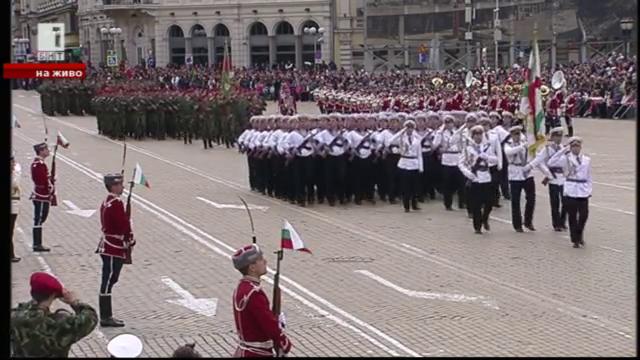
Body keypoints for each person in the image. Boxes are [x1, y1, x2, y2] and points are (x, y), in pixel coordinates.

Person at [11, 272, 98, 357]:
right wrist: (75, 302)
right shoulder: (59, 324)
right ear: (53, 295)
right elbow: (90, 317)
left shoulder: (15, 316)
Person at [232, 244, 292, 357]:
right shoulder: (254, 293)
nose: (265, 261)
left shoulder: (241, 287)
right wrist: (284, 342)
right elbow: (268, 323)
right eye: (260, 259)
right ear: (252, 267)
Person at [96, 174, 135, 327]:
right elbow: (122, 225)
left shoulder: (109, 201)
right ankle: (106, 316)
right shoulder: (116, 203)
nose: (122, 187)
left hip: (109, 244)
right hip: (113, 246)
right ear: (113, 186)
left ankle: (106, 315)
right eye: (119, 185)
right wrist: (129, 238)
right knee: (108, 280)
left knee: (110, 279)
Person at [547, 137, 592, 248]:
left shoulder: (586, 160)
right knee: (572, 216)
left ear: (580, 147)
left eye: (577, 146)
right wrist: (563, 150)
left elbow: (589, 176)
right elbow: (550, 162)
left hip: (582, 190)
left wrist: (589, 189)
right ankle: (575, 240)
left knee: (584, 215)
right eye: (573, 146)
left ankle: (579, 233)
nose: (575, 148)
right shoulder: (565, 159)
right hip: (570, 190)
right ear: (570, 148)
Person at [523, 127, 567, 231]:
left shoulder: (562, 148)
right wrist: (528, 167)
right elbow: (538, 160)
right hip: (552, 177)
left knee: (566, 201)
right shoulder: (547, 149)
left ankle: (562, 221)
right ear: (552, 137)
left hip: (562, 178)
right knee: (555, 202)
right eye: (557, 136)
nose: (559, 138)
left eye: (560, 136)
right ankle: (556, 224)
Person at [458, 125, 496, 234]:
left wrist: (487, 157)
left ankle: (485, 218)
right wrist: (468, 174)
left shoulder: (487, 148)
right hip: (475, 179)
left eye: (480, 134)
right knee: (476, 205)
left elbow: (496, 160)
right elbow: (460, 163)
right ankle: (477, 227)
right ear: (473, 136)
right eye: (476, 135)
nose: (479, 137)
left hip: (486, 178)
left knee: (489, 203)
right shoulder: (468, 149)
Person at [503, 126, 536, 232]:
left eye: (518, 134)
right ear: (511, 135)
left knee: (531, 198)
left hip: (526, 172)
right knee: (515, 200)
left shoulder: (525, 143)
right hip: (515, 172)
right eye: (515, 134)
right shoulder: (508, 144)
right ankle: (517, 225)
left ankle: (528, 221)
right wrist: (522, 146)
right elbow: (509, 152)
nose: (517, 136)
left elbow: (533, 156)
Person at [389, 119, 423, 212]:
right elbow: (391, 141)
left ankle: (414, 204)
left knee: (415, 187)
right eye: (408, 128)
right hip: (404, 164)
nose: (409, 130)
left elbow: (419, 154)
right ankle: (406, 206)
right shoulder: (401, 138)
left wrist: (421, 167)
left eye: (411, 128)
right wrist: (401, 131)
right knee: (405, 187)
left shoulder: (417, 139)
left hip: (414, 164)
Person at [30, 142, 54, 252]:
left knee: (41, 217)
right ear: (41, 151)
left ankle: (37, 242)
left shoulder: (41, 163)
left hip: (43, 194)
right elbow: (40, 180)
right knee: (39, 218)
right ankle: (37, 243)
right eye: (45, 149)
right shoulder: (38, 164)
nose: (48, 151)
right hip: (41, 194)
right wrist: (49, 186)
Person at [11, 153, 22, 262]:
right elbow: (14, 184)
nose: (14, 164)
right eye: (12, 162)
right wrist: (15, 172)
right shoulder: (14, 175)